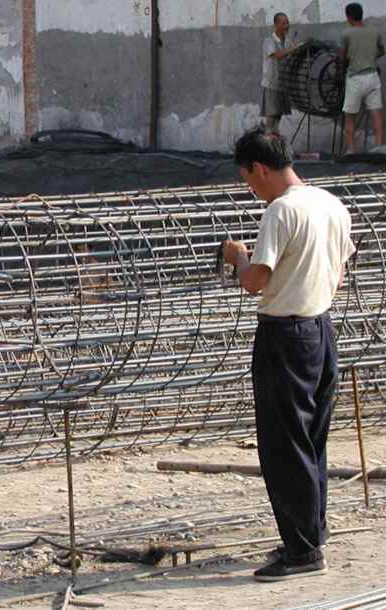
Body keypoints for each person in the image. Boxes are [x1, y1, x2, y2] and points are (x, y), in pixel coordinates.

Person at [222, 128, 355, 581]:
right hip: (321, 328)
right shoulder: (331, 204)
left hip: (285, 335)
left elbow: (255, 281)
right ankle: (311, 533)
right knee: (312, 437)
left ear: (259, 168)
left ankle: (301, 552)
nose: (251, 189)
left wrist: (237, 255)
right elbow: (338, 271)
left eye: (248, 180)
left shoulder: (280, 212)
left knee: (283, 445)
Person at [339, 3, 385, 153]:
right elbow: (381, 51)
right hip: (372, 77)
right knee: (376, 113)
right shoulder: (374, 32)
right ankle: (379, 147)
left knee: (350, 116)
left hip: (355, 78)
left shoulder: (346, 34)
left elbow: (342, 57)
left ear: (348, 16)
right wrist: (369, 57)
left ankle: (350, 149)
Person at [261, 12, 301, 135]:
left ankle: (275, 140)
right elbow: (277, 55)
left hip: (283, 84)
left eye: (287, 23)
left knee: (278, 116)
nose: (287, 26)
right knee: (271, 116)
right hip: (271, 84)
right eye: (283, 23)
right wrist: (293, 48)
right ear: (276, 25)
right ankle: (268, 140)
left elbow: (290, 56)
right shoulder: (269, 41)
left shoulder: (288, 42)